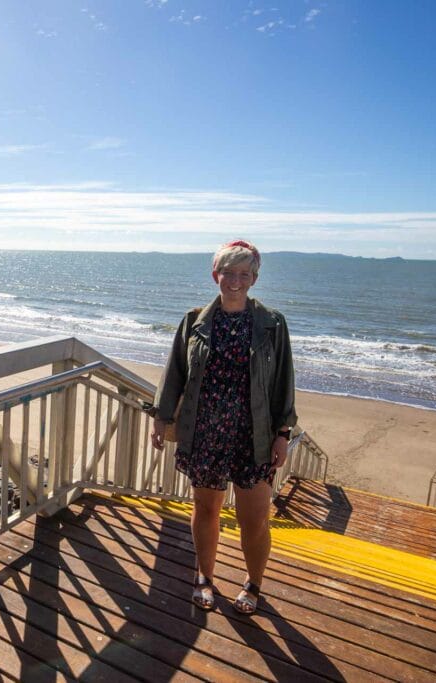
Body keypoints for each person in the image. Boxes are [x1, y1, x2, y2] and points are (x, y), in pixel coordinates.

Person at [150, 239, 296, 616]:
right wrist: (161, 418)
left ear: (254, 278)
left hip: (255, 436)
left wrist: (283, 433)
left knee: (254, 519)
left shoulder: (272, 324)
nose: (235, 281)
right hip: (205, 432)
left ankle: (254, 584)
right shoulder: (195, 320)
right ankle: (204, 577)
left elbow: (283, 382)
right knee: (206, 508)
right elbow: (174, 375)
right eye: (228, 273)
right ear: (216, 275)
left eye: (243, 274)